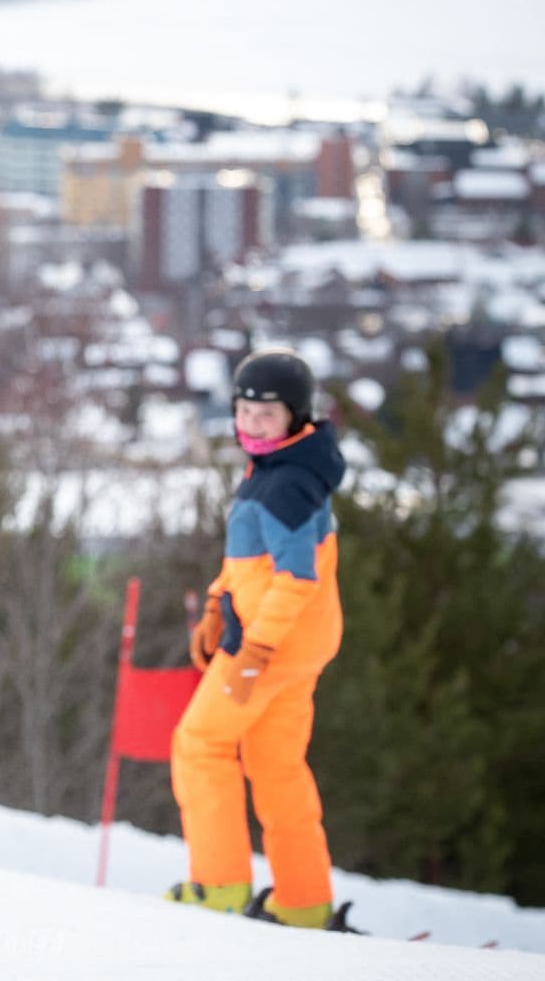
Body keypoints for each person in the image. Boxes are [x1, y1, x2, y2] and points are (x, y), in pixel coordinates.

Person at [166, 347, 347, 928]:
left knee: (200, 744)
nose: (250, 424)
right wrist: (219, 606)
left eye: (265, 415)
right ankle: (304, 901)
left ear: (295, 416)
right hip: (295, 653)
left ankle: (218, 885)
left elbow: (296, 579)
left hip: (268, 654)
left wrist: (254, 651)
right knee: (276, 767)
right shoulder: (284, 467)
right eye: (243, 411)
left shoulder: (287, 481)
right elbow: (254, 563)